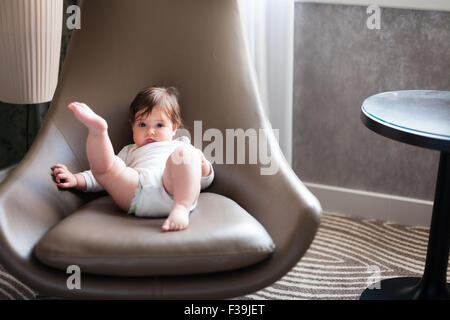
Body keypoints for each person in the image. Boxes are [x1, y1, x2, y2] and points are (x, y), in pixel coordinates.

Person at [51, 86, 214, 232]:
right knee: (109, 169)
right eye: (142, 125)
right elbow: (102, 176)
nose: (150, 131)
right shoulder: (130, 151)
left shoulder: (181, 145)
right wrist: (77, 179)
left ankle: (181, 209)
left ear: (174, 128)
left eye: (159, 125)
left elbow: (200, 181)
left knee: (186, 155)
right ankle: (98, 132)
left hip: (174, 191)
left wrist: (204, 168)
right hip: (136, 191)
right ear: (132, 126)